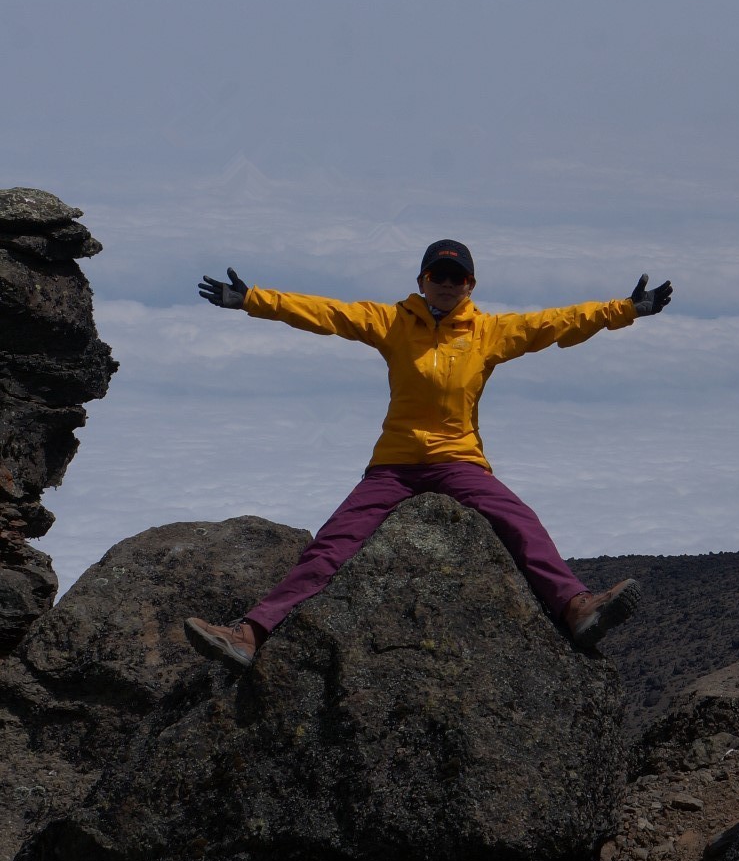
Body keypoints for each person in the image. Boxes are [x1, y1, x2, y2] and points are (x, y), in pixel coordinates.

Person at [183, 238, 672, 669]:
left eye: (457, 276)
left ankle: (578, 607)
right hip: (393, 465)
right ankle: (249, 635)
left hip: (458, 461)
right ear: (422, 279)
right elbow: (326, 313)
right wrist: (253, 300)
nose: (448, 283)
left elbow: (559, 323)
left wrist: (625, 309)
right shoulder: (393, 322)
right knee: (331, 546)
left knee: (519, 521)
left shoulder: (489, 333)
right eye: (439, 274)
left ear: (471, 284)